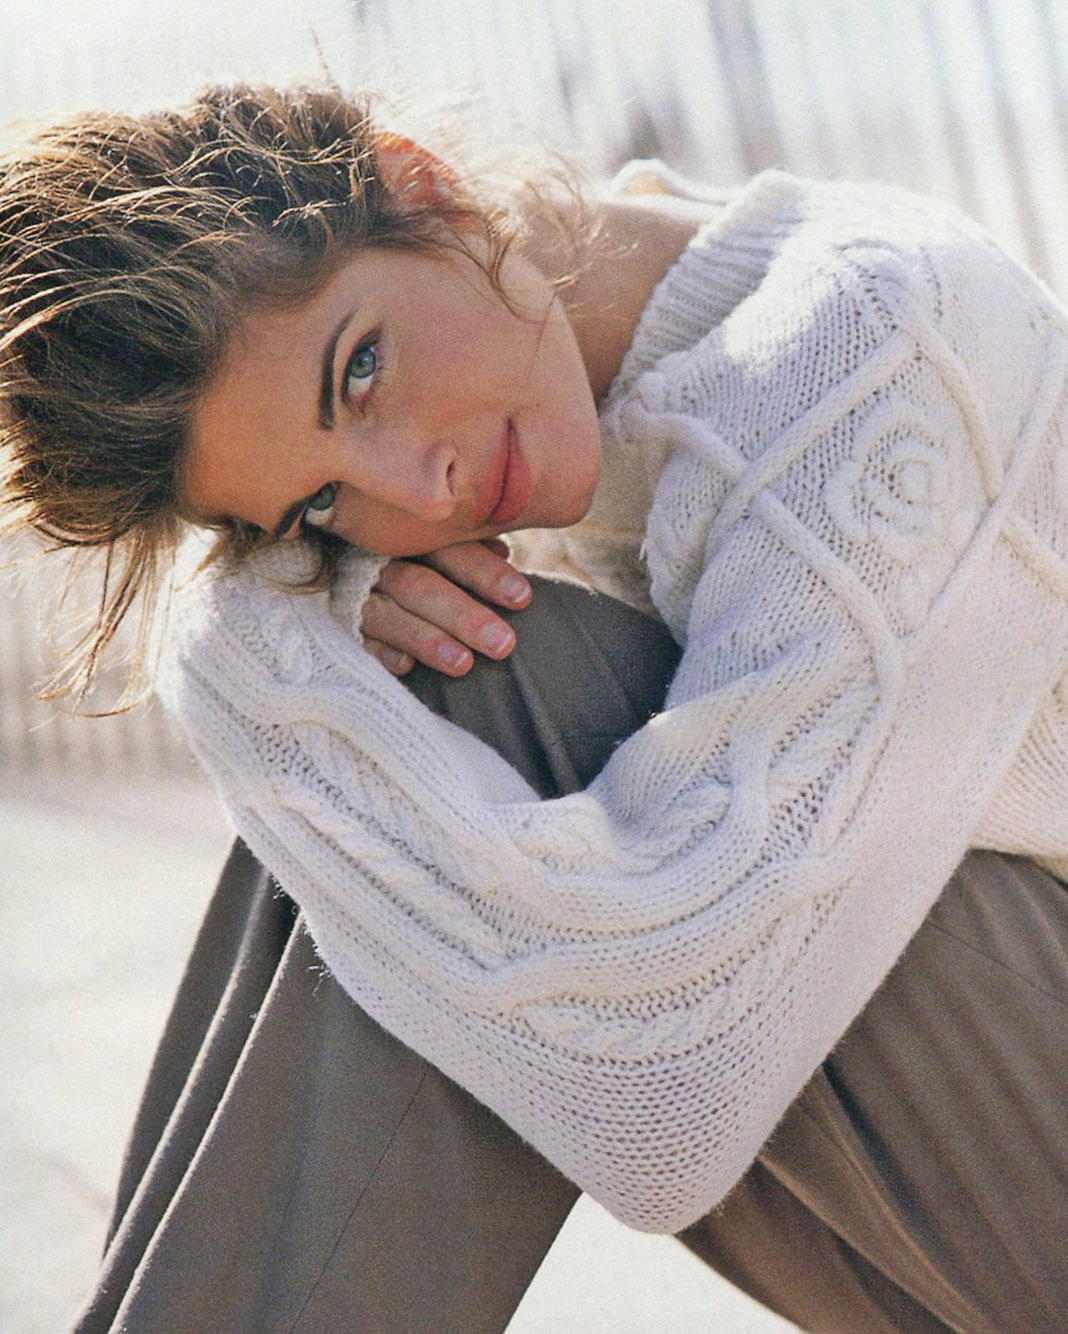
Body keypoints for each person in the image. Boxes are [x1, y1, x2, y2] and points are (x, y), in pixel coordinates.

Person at [3, 84, 1068, 1331]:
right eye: (319, 508)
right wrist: (290, 601)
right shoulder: (565, 392)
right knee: (405, 718)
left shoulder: (874, 344)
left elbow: (668, 1087)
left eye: (362, 371)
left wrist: (248, 648)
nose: (420, 492)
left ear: (424, 188)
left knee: (457, 692)